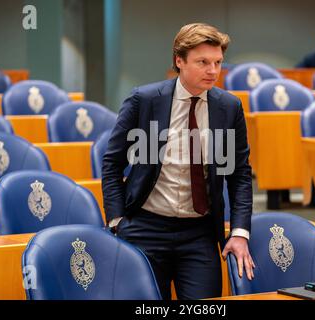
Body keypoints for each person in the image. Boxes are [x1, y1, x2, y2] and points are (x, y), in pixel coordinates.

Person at [101, 23, 254, 300]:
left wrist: (240, 231)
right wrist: (116, 221)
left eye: (218, 62)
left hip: (200, 233)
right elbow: (112, 163)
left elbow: (240, 174)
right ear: (179, 61)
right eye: (203, 62)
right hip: (145, 228)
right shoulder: (144, 100)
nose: (213, 71)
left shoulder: (229, 107)